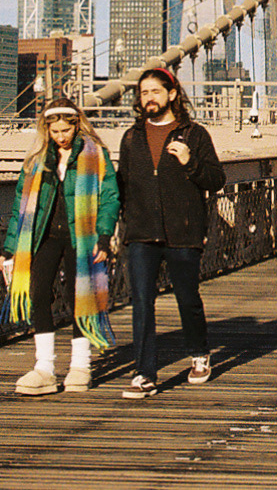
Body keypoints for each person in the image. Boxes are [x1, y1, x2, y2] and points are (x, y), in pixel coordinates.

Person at [116, 67, 226, 399]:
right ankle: (144, 373)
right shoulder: (131, 137)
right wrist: (117, 227)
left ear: (172, 94)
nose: (148, 98)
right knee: (141, 302)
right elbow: (122, 185)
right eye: (143, 93)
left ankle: (199, 353)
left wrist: (190, 162)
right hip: (141, 232)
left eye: (155, 91)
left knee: (187, 298)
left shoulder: (194, 134)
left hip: (183, 231)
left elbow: (215, 180)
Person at [0, 96, 119, 395]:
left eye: (66, 130)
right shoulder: (37, 159)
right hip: (45, 235)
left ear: (77, 126)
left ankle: (80, 366)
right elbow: (20, 206)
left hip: (83, 237)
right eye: (55, 132)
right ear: (46, 130)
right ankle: (45, 368)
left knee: (78, 296)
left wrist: (104, 237)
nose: (61, 137)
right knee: (38, 293)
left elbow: (109, 197)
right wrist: (9, 249)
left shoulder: (96, 154)